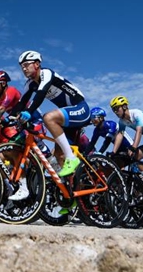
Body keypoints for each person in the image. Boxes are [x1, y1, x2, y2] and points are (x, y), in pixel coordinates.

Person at [12, 50, 89, 179]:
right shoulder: (30, 84)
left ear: (37, 64)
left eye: (26, 65)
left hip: (80, 108)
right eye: (21, 67)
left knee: (48, 118)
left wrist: (29, 112)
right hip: (66, 118)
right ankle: (75, 194)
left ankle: (72, 158)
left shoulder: (46, 73)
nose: (24, 69)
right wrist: (8, 119)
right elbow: (20, 103)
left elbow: (41, 94)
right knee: (59, 156)